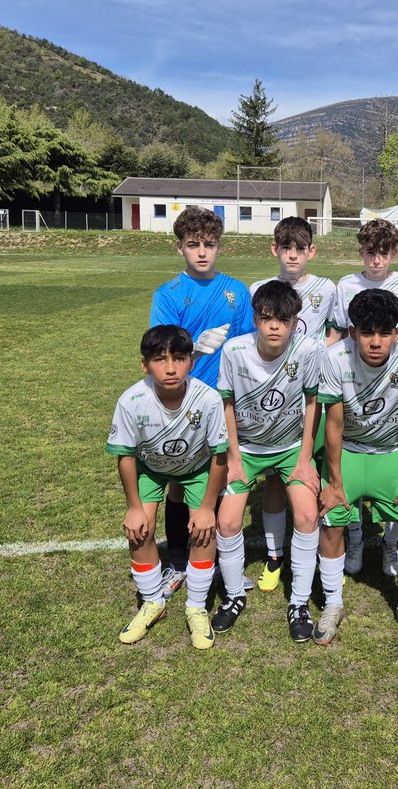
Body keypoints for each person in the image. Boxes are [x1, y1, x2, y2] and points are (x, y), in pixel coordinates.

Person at [148, 207, 255, 599]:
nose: (202, 252)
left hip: (224, 401)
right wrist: (195, 347)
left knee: (220, 477)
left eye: (209, 244)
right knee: (178, 481)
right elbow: (163, 351)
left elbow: (245, 346)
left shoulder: (237, 291)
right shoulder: (169, 294)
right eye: (193, 245)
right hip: (182, 400)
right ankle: (178, 559)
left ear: (219, 246)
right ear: (180, 249)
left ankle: (220, 561)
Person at [315, 289, 398, 644]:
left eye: (384, 332)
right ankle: (333, 603)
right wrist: (334, 481)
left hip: (390, 453)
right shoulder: (334, 359)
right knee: (331, 523)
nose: (375, 342)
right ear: (352, 333)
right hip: (348, 451)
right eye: (366, 332)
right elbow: (332, 424)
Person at [213, 281, 323, 642]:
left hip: (291, 446)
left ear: (294, 322)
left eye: (283, 320)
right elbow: (226, 404)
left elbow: (312, 404)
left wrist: (305, 459)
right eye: (266, 318)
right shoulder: (234, 351)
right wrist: (233, 458)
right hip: (245, 448)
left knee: (307, 517)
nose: (274, 326)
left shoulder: (308, 350)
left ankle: (300, 603)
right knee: (228, 523)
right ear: (256, 320)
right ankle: (232, 597)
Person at [108, 326, 229, 649]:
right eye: (160, 360)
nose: (171, 367)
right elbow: (125, 456)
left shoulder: (208, 398)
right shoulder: (132, 400)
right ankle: (153, 603)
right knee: (139, 529)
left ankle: (196, 607)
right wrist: (134, 507)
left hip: (196, 468)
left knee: (205, 530)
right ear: (145, 366)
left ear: (191, 361)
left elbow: (220, 456)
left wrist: (206, 508)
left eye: (179, 358)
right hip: (151, 469)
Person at [247, 216, 337, 593]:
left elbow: (336, 331)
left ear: (311, 251)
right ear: (275, 250)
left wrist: (314, 356)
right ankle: (274, 557)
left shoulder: (327, 288)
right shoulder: (260, 288)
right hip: (273, 403)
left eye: (300, 249)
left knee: (314, 475)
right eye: (286, 248)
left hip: (310, 396)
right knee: (273, 483)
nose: (293, 255)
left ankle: (316, 552)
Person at [329, 219, 398, 578]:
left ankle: (389, 545)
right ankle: (354, 539)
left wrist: (396, 368)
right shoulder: (347, 285)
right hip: (355, 373)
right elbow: (340, 332)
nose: (377, 261)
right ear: (361, 253)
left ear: (394, 254)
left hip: (391, 377)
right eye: (371, 252)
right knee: (345, 473)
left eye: (384, 253)